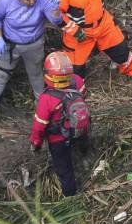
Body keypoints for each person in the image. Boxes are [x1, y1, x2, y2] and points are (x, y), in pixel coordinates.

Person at [0, 0, 61, 129]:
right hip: (10, 44)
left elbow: (56, 22)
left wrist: (55, 11)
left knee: (36, 74)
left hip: (34, 44)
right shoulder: (6, 0)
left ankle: (42, 108)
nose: (32, 2)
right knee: (2, 74)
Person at [29, 52, 89, 197]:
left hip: (58, 140)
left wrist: (35, 143)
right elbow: (82, 97)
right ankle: (85, 157)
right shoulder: (78, 81)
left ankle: (71, 197)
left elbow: (39, 126)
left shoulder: (46, 99)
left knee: (65, 170)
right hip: (80, 128)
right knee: (81, 145)